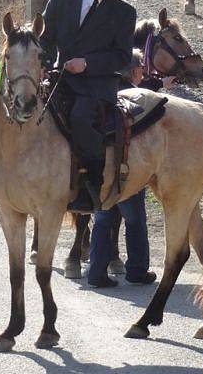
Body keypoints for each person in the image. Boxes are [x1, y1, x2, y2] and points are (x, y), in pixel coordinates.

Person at [40, 0, 137, 213]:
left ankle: (91, 183)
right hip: (60, 78)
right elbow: (45, 40)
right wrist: (42, 66)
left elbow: (122, 57)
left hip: (97, 85)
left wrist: (87, 64)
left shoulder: (124, 13)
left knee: (82, 118)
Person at [86, 50, 166, 288]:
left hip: (100, 169)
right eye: (141, 67)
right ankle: (137, 270)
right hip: (127, 169)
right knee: (134, 220)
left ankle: (96, 271)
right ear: (134, 71)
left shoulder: (102, 94)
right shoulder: (136, 100)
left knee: (102, 219)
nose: (144, 71)